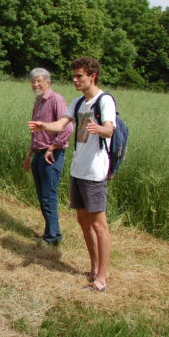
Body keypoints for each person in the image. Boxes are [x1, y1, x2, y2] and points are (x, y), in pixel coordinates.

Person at [27, 57, 116, 292]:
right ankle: (94, 268)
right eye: (74, 76)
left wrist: (101, 129)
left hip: (95, 171)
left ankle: (102, 279)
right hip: (78, 170)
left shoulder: (104, 100)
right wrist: (43, 126)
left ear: (92, 76)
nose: (75, 80)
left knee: (99, 225)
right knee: (83, 221)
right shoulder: (78, 103)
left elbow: (109, 128)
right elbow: (61, 125)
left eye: (80, 76)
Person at [23, 68, 73, 246]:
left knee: (49, 196)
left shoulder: (56, 100)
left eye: (39, 81)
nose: (35, 84)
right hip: (38, 154)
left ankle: (52, 237)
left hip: (52, 155)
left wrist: (53, 147)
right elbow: (36, 133)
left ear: (48, 82)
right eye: (33, 82)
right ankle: (51, 233)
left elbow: (67, 128)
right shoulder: (38, 102)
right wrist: (29, 156)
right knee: (42, 195)